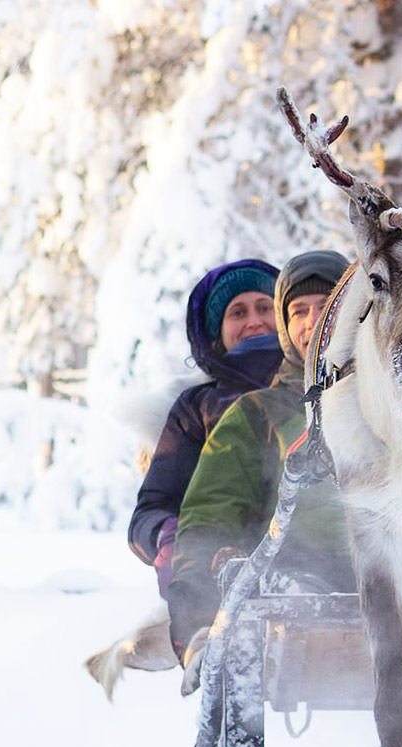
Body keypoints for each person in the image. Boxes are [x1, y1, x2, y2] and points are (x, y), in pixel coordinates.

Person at [164, 250, 353, 684]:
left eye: (328, 308)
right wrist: (194, 614)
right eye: (299, 311)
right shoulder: (258, 414)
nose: (313, 322)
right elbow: (211, 512)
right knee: (284, 580)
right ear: (286, 330)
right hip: (303, 577)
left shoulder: (395, 405)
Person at [101, 259, 282, 681]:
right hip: (220, 572)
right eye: (238, 312)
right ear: (215, 332)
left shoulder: (326, 392)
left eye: (264, 307)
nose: (254, 321)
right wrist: (170, 543)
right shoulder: (197, 409)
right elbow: (149, 512)